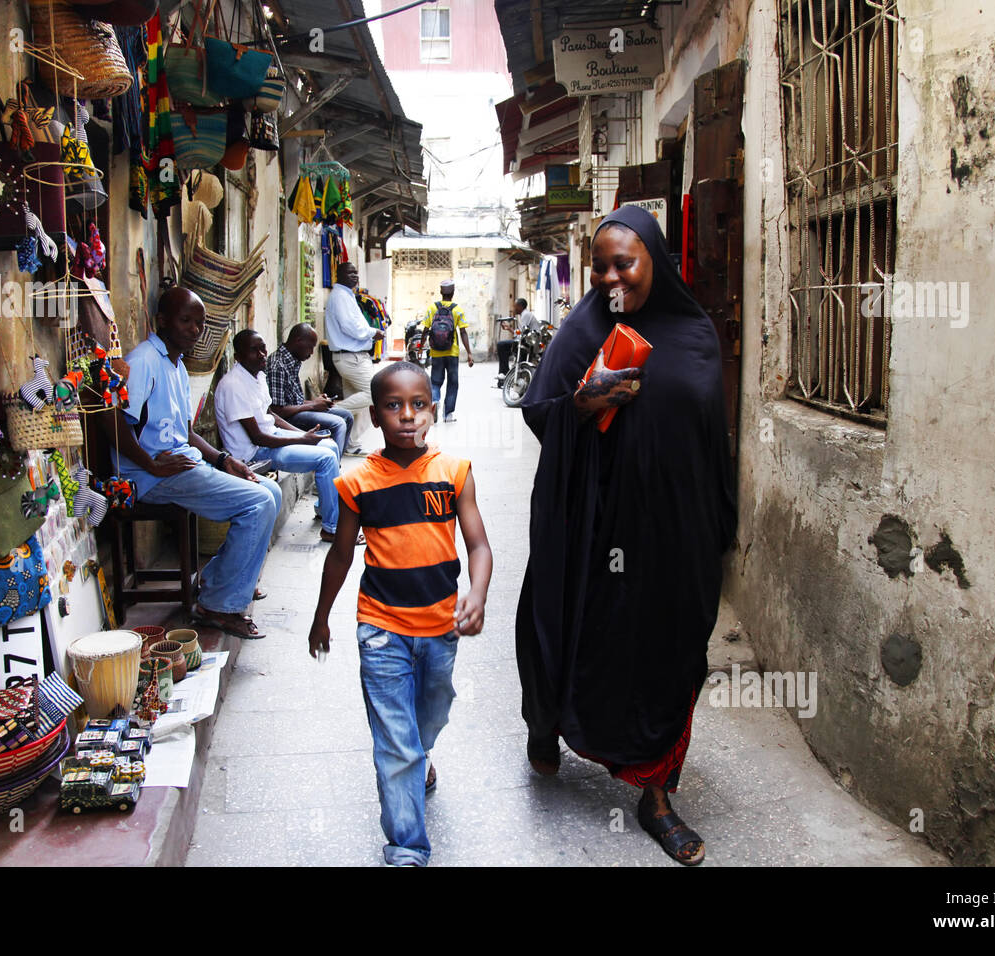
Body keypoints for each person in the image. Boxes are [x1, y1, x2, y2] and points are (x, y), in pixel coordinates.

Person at [514, 205, 737, 866]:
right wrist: (582, 406)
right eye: (601, 265)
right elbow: (538, 410)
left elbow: (711, 434)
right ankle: (545, 724)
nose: (612, 277)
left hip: (674, 532)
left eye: (626, 263)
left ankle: (657, 793)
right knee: (572, 632)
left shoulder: (693, 331)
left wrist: (717, 518)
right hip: (596, 527)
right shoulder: (583, 328)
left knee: (671, 649)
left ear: (656, 262)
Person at [308, 361, 493, 867]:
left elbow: (478, 546)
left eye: (418, 405)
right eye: (393, 406)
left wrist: (475, 594)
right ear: (374, 415)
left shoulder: (455, 473)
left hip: (440, 628)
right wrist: (322, 615)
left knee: (430, 716)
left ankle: (422, 753)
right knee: (395, 746)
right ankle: (407, 850)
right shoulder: (358, 482)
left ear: (432, 410)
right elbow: (341, 555)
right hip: (381, 629)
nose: (407, 416)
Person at [105, 286, 281, 641]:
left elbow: (184, 433)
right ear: (162, 321)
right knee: (258, 502)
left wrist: (224, 459)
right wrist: (150, 466)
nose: (194, 329)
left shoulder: (176, 365)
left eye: (199, 323)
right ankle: (219, 605)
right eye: (186, 320)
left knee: (271, 491)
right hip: (149, 476)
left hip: (181, 466)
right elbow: (111, 422)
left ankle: (219, 582)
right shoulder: (143, 362)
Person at [215, 330, 353, 545]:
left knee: (329, 445)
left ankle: (324, 509)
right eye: (254, 350)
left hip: (271, 436)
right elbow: (258, 437)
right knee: (325, 458)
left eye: (263, 348)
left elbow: (269, 415)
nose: (262, 355)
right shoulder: (233, 385)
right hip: (253, 451)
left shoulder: (257, 375)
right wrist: (301, 440)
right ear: (238, 356)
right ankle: (332, 528)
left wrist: (301, 433)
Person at [266, 322, 358, 459]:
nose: (311, 353)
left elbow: (294, 400)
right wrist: (312, 405)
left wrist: (316, 402)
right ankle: (330, 467)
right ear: (298, 341)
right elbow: (277, 411)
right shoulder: (277, 366)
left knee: (347, 416)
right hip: (287, 419)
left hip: (297, 411)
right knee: (338, 424)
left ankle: (335, 463)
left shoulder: (292, 360)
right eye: (310, 347)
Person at [324, 261, 384, 449]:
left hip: (352, 356)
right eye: (349, 273)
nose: (354, 276)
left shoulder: (346, 295)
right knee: (376, 394)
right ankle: (329, 411)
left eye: (356, 272)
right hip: (351, 358)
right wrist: (373, 332)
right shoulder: (340, 296)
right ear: (338, 275)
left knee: (360, 405)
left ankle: (351, 443)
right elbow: (350, 326)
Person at [421, 279, 472, 422]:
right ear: (453, 293)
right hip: (452, 352)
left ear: (440, 292)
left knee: (435, 382)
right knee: (452, 383)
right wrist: (469, 353)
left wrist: (420, 347)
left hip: (436, 352)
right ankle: (448, 415)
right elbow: (463, 332)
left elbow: (425, 329)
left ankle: (434, 403)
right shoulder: (457, 310)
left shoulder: (432, 308)